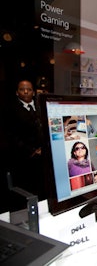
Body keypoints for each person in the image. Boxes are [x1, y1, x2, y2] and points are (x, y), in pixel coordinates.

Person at [9, 79, 46, 209]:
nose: (26, 92)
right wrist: (32, 151)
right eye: (22, 89)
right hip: (25, 158)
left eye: (29, 89)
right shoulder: (11, 110)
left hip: (45, 157)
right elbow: (12, 137)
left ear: (34, 92)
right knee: (29, 191)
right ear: (16, 92)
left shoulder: (41, 106)